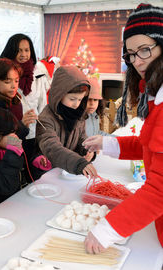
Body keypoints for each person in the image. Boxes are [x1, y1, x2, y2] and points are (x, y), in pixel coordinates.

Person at [83, 3, 163, 254]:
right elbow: (150, 146)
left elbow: (159, 190)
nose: (136, 61)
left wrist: (108, 229)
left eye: (145, 50)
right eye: (130, 53)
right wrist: (108, 144)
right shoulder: (154, 93)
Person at [36, 66, 98, 178]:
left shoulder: (77, 114)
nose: (76, 104)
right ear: (59, 95)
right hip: (48, 174)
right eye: (72, 99)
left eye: (80, 99)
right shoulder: (45, 119)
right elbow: (52, 148)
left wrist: (88, 150)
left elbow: (81, 138)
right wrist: (79, 163)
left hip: (67, 172)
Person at [0, 34, 48, 161]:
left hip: (34, 132)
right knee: (15, 164)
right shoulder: (2, 72)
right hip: (11, 133)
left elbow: (43, 104)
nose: (23, 54)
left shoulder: (38, 73)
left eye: (27, 50)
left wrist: (44, 131)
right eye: (19, 50)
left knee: (34, 166)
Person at [0, 58, 33, 141]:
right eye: (7, 82)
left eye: (16, 81)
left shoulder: (15, 101)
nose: (14, 86)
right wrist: (22, 126)